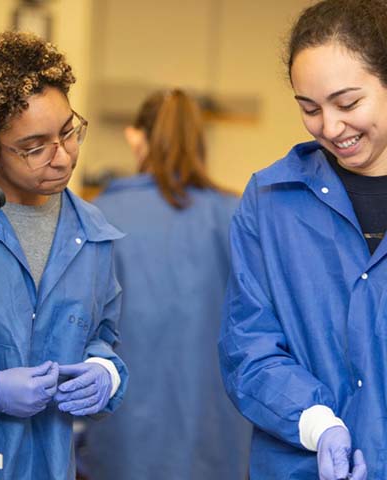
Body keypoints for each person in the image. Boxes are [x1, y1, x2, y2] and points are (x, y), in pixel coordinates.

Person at [0, 31, 128, 480]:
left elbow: (101, 334)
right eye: (35, 147)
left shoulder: (91, 233)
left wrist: (104, 371)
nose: (63, 158)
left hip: (50, 462)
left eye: (68, 132)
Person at [217, 0, 387, 478]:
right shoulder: (271, 201)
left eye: (348, 103)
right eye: (310, 109)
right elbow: (248, 347)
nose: (330, 128)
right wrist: (315, 422)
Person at [80, 89, 252, 480]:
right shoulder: (237, 216)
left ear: (135, 137)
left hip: (125, 439)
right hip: (220, 438)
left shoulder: (102, 216)